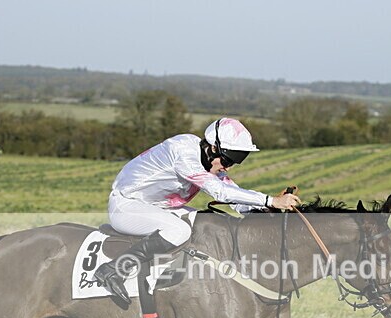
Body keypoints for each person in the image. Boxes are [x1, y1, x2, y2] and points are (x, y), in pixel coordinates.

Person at [94, 117, 300, 306]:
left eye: (233, 162)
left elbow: (234, 196)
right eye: (227, 161)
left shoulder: (206, 158)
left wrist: (267, 207)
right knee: (179, 231)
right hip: (126, 206)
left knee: (209, 223)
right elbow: (221, 192)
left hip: (155, 207)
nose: (227, 168)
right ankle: (114, 270)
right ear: (212, 148)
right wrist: (271, 200)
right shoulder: (184, 153)